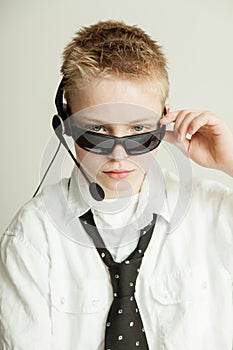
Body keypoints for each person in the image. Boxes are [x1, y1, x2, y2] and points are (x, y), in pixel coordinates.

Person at [0, 19, 233, 350]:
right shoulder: (33, 238)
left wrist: (229, 161)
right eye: (96, 132)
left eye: (139, 131)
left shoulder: (213, 213)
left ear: (163, 122)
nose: (119, 154)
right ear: (66, 127)